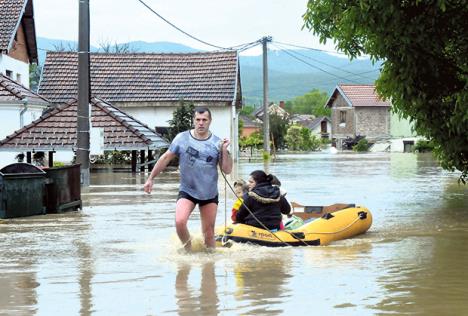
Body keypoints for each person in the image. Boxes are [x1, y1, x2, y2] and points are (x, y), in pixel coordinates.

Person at [143, 106, 232, 251]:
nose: (201, 123)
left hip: (209, 193)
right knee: (179, 222)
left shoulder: (217, 143)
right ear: (193, 120)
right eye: (198, 119)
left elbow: (227, 170)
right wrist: (150, 178)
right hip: (188, 190)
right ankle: (188, 250)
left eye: (204, 120)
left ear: (210, 121)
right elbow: (165, 158)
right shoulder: (181, 138)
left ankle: (210, 265)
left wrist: (224, 150)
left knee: (209, 234)